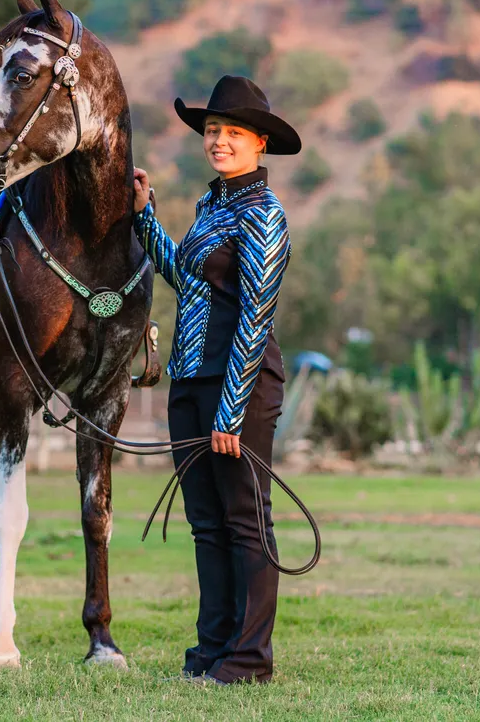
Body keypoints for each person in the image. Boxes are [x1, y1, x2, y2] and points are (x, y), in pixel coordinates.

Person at [132, 74, 300, 685]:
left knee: (244, 519)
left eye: (231, 132)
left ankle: (250, 657)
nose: (218, 141)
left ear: (260, 143)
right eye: (211, 131)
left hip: (242, 387)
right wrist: (145, 217)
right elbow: (185, 274)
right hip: (189, 378)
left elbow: (255, 318)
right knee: (206, 521)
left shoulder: (265, 216)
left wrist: (231, 413)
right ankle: (213, 649)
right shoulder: (211, 207)